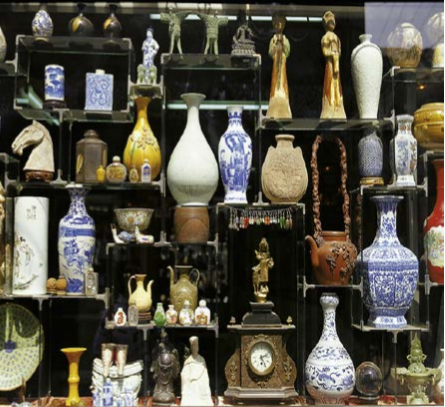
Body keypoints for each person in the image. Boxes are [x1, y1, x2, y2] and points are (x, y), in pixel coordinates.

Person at [320, 11, 346, 119]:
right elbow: (325, 51)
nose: (332, 22)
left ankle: (338, 107)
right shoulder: (325, 37)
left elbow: (339, 51)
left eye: (333, 20)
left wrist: (336, 55)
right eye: (329, 20)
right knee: (329, 84)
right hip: (330, 64)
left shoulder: (337, 37)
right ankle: (329, 108)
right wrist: (332, 54)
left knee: (337, 85)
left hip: (336, 64)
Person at [266, 15, 291, 119]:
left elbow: (288, 52)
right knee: (275, 81)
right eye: (276, 23)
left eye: (280, 22)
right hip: (275, 64)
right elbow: (270, 53)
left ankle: (283, 98)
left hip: (282, 63)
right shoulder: (273, 39)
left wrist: (283, 45)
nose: (278, 25)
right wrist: (275, 46)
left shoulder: (285, 39)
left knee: (283, 81)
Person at [180, 336, 213, 406]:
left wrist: (197, 376)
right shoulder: (188, 360)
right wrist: (189, 377)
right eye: (193, 347)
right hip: (190, 382)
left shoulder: (201, 359)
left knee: (200, 383)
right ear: (191, 348)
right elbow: (184, 374)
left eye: (196, 347)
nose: (195, 349)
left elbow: (205, 373)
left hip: (200, 381)